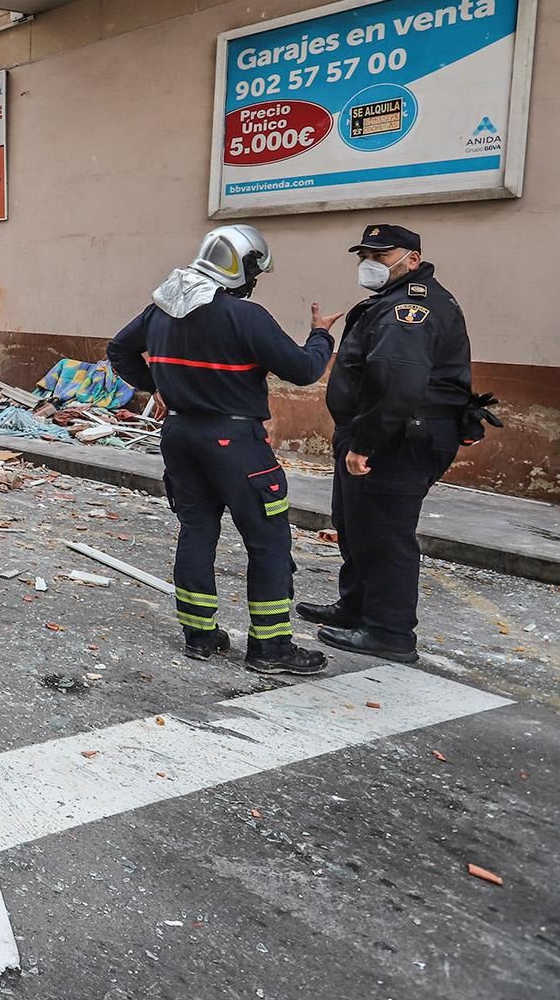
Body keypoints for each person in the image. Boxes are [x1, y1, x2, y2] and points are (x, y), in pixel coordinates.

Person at [108, 226, 343, 675]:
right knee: (268, 541)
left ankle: (200, 636)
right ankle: (271, 649)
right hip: (235, 444)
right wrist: (320, 335)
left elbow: (119, 350)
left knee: (196, 531)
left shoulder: (161, 310)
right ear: (244, 268)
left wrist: (158, 385)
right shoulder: (245, 316)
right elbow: (303, 370)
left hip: (180, 438)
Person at [296, 225, 472, 663]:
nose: (369, 263)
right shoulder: (389, 302)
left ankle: (390, 631)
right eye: (365, 255)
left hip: (399, 436)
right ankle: (356, 607)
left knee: (385, 532)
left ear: (411, 258)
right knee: (355, 523)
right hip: (379, 430)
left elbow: (399, 384)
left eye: (381, 254)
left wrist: (365, 444)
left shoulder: (411, 308)